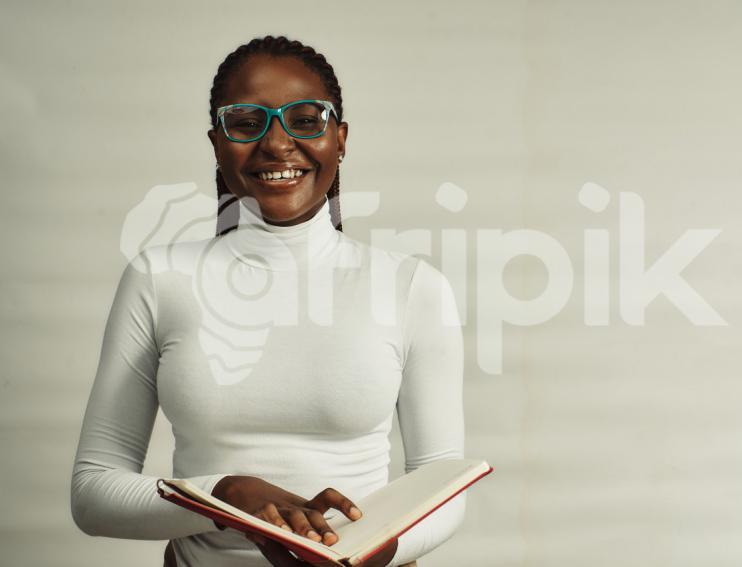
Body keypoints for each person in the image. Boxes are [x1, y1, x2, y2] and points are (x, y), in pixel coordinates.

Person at [70, 35, 466, 567]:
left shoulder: (412, 286)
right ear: (216, 142)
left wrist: (375, 551)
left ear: (340, 138)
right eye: (246, 121)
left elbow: (443, 483)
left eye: (305, 119)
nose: (277, 144)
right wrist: (225, 497)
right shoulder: (157, 279)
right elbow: (93, 494)